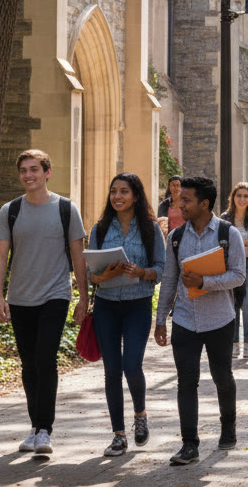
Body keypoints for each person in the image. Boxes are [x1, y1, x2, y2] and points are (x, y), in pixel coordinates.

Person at [0, 149, 88, 456]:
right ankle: (35, 426)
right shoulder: (11, 210)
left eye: (34, 169)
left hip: (55, 296)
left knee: (45, 360)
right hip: (20, 298)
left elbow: (78, 257)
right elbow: (0, 256)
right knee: (29, 364)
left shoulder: (66, 209)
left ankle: (44, 429)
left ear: (47, 173)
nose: (28, 175)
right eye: (23, 170)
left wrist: (83, 298)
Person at [154, 176, 246, 466]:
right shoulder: (176, 237)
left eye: (187, 200)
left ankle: (228, 426)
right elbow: (169, 279)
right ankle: (189, 444)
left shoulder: (228, 234)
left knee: (222, 377)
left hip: (220, 319)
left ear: (204, 204)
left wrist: (205, 281)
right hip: (184, 319)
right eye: (180, 200)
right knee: (186, 382)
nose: (180, 205)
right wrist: (160, 320)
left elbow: (239, 275)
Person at [89, 172, 165, 457]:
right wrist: (102, 275)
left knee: (131, 365)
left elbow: (162, 267)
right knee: (111, 371)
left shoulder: (150, 229)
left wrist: (142, 272)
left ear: (135, 195)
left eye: (123, 191)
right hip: (106, 306)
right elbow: (90, 273)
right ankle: (118, 435)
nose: (117, 196)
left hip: (138, 304)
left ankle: (140, 415)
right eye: (113, 191)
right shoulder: (100, 228)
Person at [220, 183, 248, 360]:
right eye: (239, 195)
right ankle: (234, 343)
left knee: (247, 302)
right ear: (233, 197)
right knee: (233, 303)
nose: (242, 199)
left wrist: (247, 244)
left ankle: (247, 343)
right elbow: (221, 242)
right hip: (231, 265)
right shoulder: (225, 218)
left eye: (246, 196)